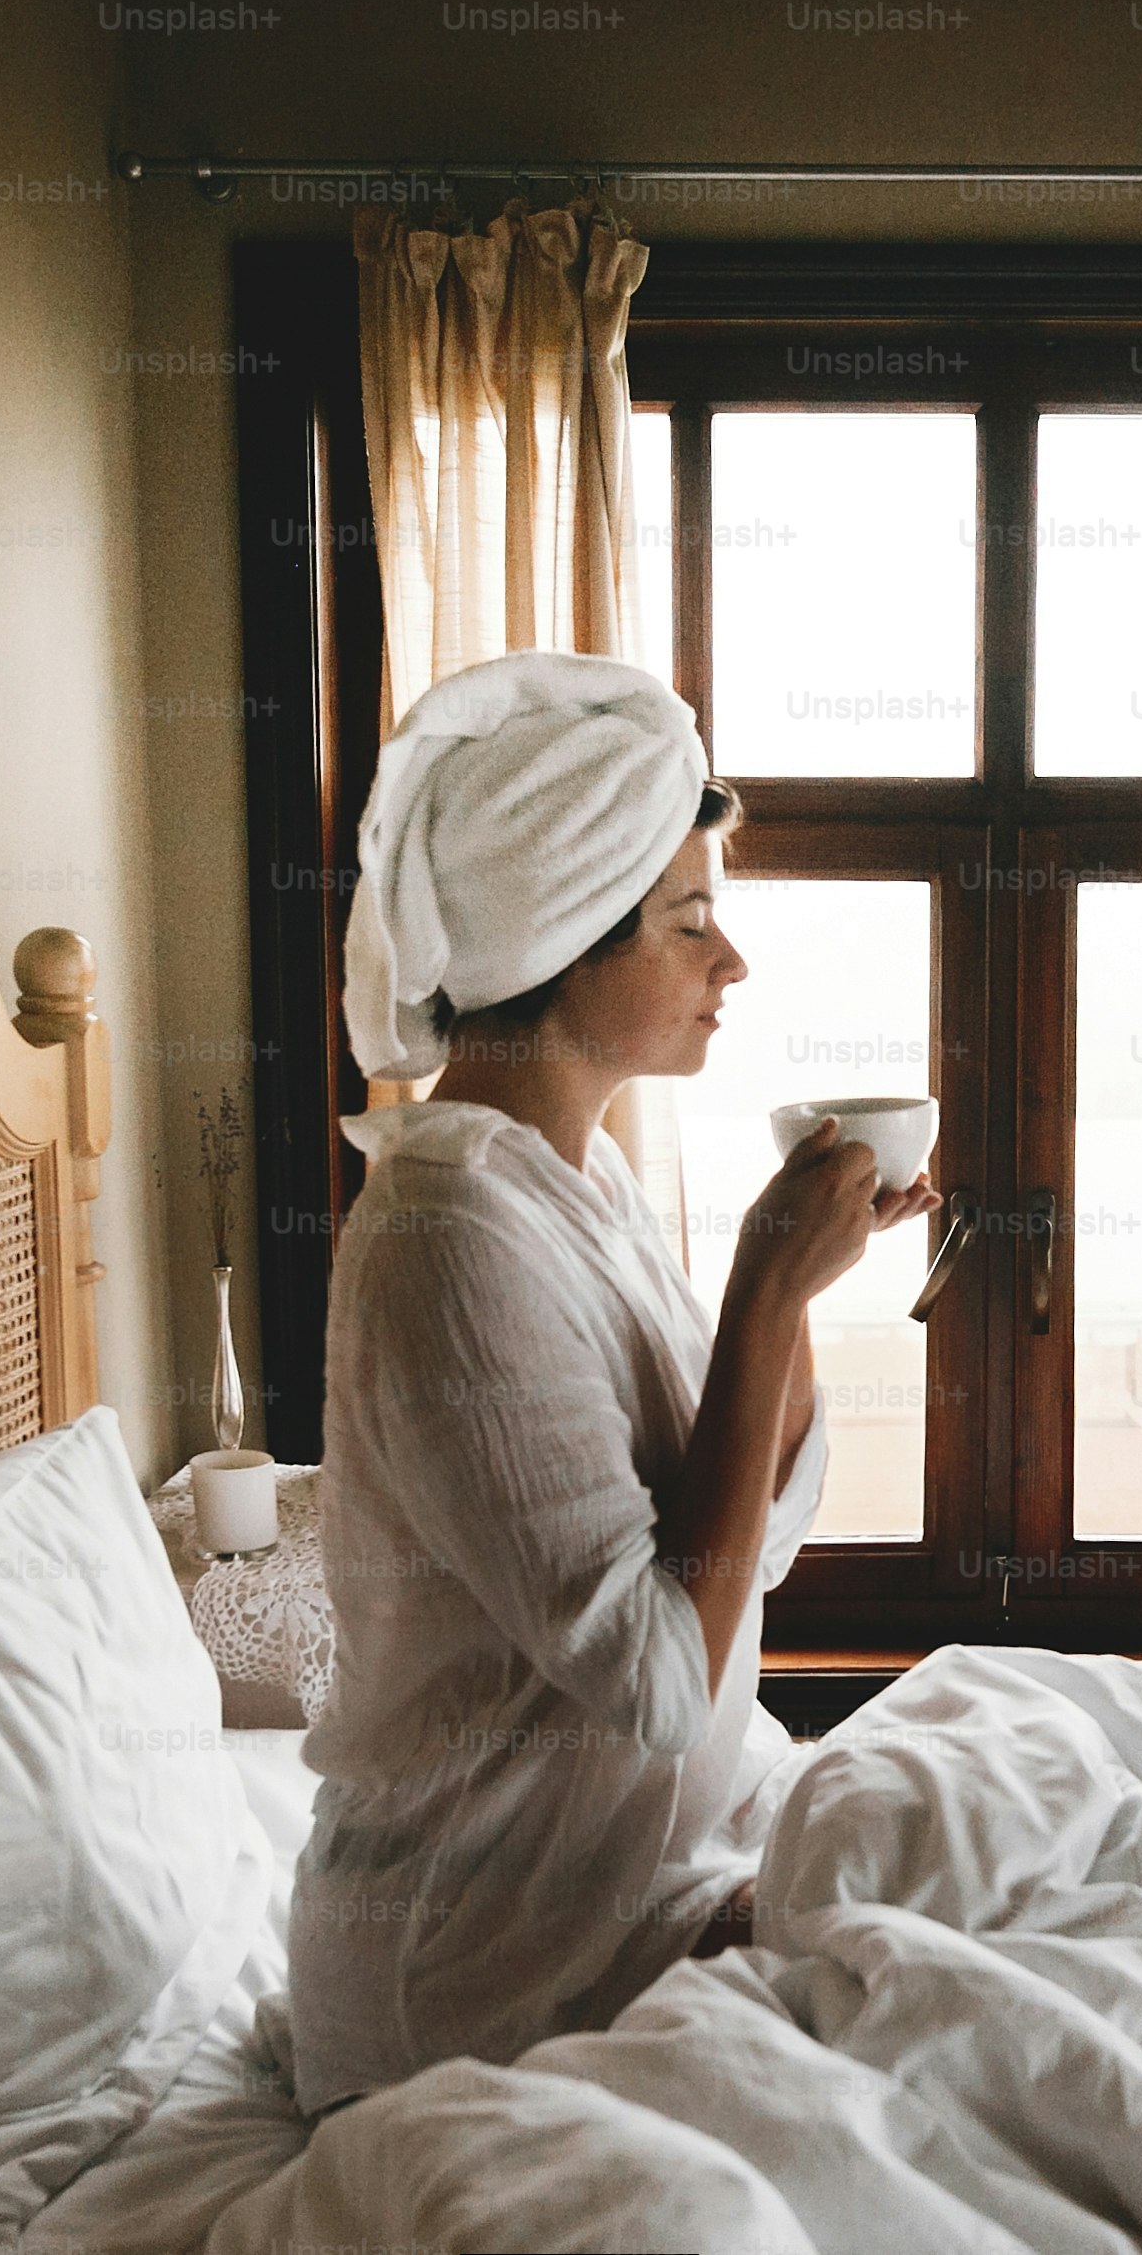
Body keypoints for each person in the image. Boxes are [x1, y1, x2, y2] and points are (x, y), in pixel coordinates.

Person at [282, 650, 938, 2114]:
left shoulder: (577, 1186)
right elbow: (655, 1675)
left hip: (647, 1871)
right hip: (487, 1965)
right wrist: (763, 1282)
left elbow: (747, 1540)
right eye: (691, 921)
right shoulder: (449, 1241)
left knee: (1022, 1818)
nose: (733, 962)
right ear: (567, 938)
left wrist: (800, 1280)